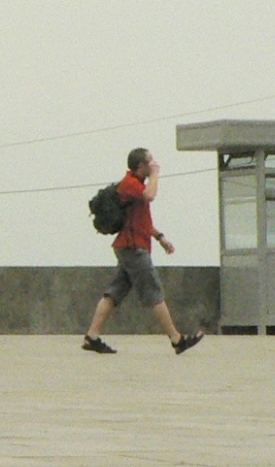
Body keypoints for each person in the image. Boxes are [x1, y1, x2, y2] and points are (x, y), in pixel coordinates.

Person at [82, 148, 203, 354]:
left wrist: (160, 237)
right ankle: (177, 339)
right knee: (153, 291)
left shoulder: (135, 185)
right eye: (150, 161)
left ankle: (92, 337)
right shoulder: (130, 184)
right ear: (140, 166)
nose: (154, 163)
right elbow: (150, 195)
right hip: (133, 248)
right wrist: (155, 174)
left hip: (130, 246)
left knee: (115, 293)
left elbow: (142, 221)